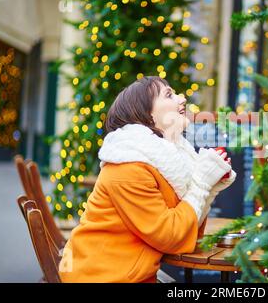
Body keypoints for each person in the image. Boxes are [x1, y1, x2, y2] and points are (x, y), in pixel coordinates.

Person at [59, 76, 236, 282]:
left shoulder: (163, 160)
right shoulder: (128, 167)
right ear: (148, 116)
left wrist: (210, 188)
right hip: (101, 276)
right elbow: (170, 236)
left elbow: (184, 232)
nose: (182, 99)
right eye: (169, 95)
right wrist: (202, 184)